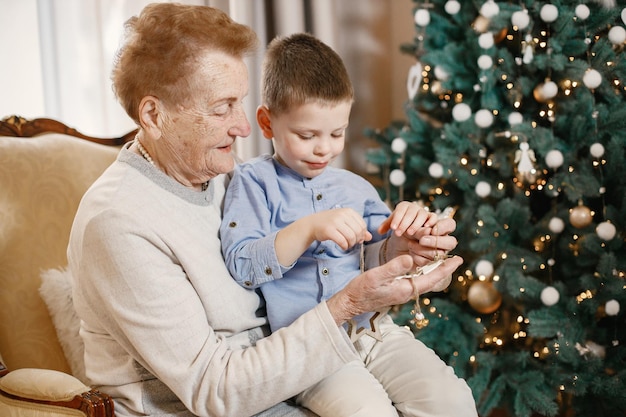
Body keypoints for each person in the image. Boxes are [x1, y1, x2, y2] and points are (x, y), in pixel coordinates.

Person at [67, 3, 470, 417]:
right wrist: (345, 306)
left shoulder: (232, 177)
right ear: (154, 115)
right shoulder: (119, 223)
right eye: (222, 107)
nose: (244, 127)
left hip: (291, 377)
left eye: (240, 103)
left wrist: (395, 250)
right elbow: (216, 391)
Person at [220, 33, 476, 417]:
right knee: (368, 411)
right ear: (267, 122)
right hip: (311, 349)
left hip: (375, 332)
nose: (325, 148)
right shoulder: (252, 182)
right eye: (307, 136)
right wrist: (307, 228)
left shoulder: (355, 187)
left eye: (337, 133)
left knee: (452, 401)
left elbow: (379, 254)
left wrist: (408, 238)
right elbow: (242, 265)